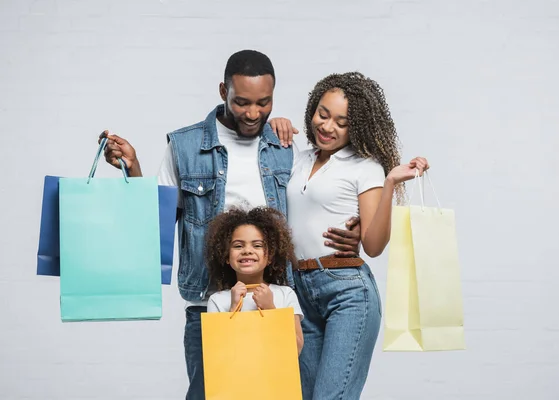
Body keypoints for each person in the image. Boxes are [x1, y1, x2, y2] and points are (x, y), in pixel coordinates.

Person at [99, 50, 360, 400]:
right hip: (211, 302)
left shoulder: (283, 145)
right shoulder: (185, 146)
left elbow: (311, 200)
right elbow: (156, 222)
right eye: (242, 102)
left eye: (263, 103)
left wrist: (356, 228)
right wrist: (132, 168)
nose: (253, 114)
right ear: (223, 91)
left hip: (278, 302)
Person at [286, 71, 430, 399]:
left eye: (342, 122)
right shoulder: (297, 158)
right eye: (323, 114)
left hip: (346, 293)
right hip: (296, 292)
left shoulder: (365, 168)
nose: (327, 126)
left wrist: (391, 182)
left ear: (358, 126)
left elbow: (375, 245)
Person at [205, 206, 304, 354]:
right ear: (226, 256)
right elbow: (216, 353)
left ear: (270, 256)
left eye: (257, 245)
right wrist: (233, 309)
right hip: (234, 377)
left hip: (276, 376)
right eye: (238, 246)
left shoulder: (285, 294)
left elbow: (296, 349)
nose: (247, 251)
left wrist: (270, 309)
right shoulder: (217, 300)